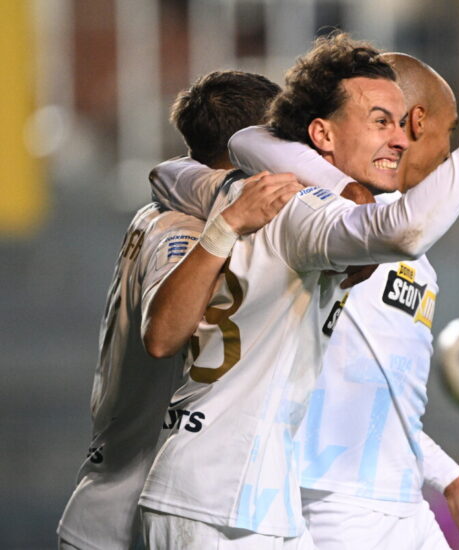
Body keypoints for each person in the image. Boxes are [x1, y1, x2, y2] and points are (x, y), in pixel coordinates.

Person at [139, 33, 459, 549]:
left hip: (379, 499)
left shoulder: (378, 230)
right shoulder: (319, 215)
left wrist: (449, 478)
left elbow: (385, 397)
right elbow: (224, 152)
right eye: (382, 122)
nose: (412, 142)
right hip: (318, 498)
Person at [56, 70, 299, 550]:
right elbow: (164, 335)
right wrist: (226, 225)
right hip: (134, 515)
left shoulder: (166, 207)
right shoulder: (185, 229)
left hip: (121, 505)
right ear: (255, 147)